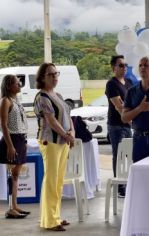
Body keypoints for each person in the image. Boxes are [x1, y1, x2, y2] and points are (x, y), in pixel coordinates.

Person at [34, 63, 75, 232]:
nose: (54, 77)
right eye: (50, 74)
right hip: (50, 141)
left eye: (56, 74)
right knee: (51, 180)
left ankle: (55, 216)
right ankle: (50, 220)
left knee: (58, 181)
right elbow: (51, 121)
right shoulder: (42, 97)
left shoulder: (57, 94)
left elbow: (68, 115)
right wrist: (67, 135)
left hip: (62, 142)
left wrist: (72, 132)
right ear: (42, 77)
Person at [0, 75, 30, 219]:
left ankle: (15, 205)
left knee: (16, 173)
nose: (19, 85)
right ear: (9, 86)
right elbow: (3, 125)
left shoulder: (16, 100)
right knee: (12, 173)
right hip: (12, 139)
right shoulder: (5, 101)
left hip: (20, 138)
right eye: (17, 83)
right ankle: (10, 208)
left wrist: (24, 142)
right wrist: (10, 146)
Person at [105, 55, 132, 197]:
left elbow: (133, 101)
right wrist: (131, 119)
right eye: (121, 65)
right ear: (113, 67)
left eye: (125, 65)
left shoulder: (128, 82)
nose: (124, 67)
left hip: (127, 125)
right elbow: (119, 105)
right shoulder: (111, 84)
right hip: (116, 125)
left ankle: (128, 182)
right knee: (119, 154)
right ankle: (119, 186)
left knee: (129, 155)